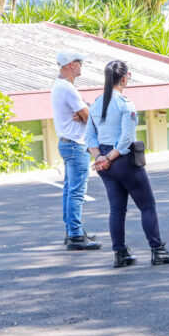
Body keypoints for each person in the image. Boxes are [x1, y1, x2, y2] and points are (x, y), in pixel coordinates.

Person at [84, 60, 169, 268]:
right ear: (124, 77)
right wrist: (110, 157)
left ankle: (120, 253)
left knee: (117, 209)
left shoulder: (95, 104)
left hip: (104, 162)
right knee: (147, 205)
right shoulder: (125, 103)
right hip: (122, 160)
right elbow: (126, 139)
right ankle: (157, 249)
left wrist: (100, 157)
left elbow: (90, 137)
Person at [52, 50, 101, 250]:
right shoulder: (69, 89)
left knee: (69, 190)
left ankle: (72, 230)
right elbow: (89, 116)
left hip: (66, 142)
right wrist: (86, 112)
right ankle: (75, 235)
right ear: (72, 64)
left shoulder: (59, 86)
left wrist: (84, 111)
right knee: (76, 192)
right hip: (75, 144)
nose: (82, 65)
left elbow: (84, 111)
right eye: (80, 62)